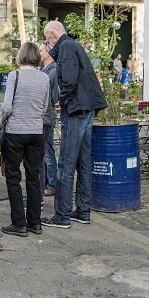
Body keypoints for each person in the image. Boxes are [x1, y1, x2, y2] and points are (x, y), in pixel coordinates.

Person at [41, 21, 108, 229]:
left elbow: (68, 81)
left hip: (77, 110)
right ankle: (83, 210)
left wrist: (62, 100)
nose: (47, 42)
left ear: (53, 34)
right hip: (86, 108)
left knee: (66, 163)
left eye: (47, 38)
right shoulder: (74, 45)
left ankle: (62, 214)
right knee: (83, 161)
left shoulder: (67, 47)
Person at [0, 42, 50, 237]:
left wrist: (2, 122)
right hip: (36, 131)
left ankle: (19, 223)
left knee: (13, 176)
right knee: (34, 176)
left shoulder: (15, 76)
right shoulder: (44, 78)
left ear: (20, 56)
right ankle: (35, 222)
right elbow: (46, 106)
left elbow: (6, 107)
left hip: (15, 131)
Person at [39, 42, 59, 197]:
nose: (39, 53)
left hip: (48, 111)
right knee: (43, 149)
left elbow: (55, 94)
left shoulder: (53, 70)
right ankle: (46, 182)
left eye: (40, 50)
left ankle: (52, 184)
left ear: (48, 53)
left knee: (48, 150)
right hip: (42, 111)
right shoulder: (43, 69)